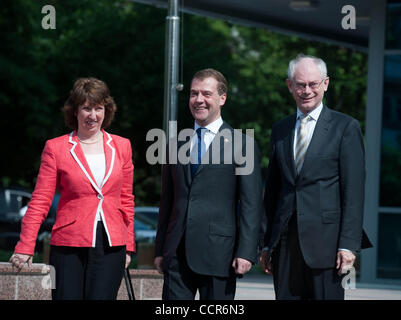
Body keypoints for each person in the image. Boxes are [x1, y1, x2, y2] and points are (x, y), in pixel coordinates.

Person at [9, 77, 135, 300]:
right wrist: (25, 245)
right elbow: (40, 199)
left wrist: (129, 246)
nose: (93, 115)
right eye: (86, 108)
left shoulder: (122, 146)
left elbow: (126, 200)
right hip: (68, 245)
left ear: (107, 110)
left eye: (98, 108)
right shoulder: (55, 148)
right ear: (75, 111)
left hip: (112, 245)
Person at [259, 54, 368, 300]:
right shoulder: (280, 129)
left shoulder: (346, 127)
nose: (306, 90)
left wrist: (348, 244)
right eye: (300, 84)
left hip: (328, 248)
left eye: (313, 84)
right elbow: (273, 190)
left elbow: (354, 191)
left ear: (325, 84)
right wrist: (266, 242)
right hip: (285, 245)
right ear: (290, 86)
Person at [154, 68, 263, 300]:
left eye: (206, 93)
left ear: (222, 98)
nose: (198, 100)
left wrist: (246, 252)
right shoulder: (175, 144)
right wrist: (161, 248)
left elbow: (251, 203)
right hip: (176, 253)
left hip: (220, 255)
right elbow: (168, 200)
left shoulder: (243, 144)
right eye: (194, 94)